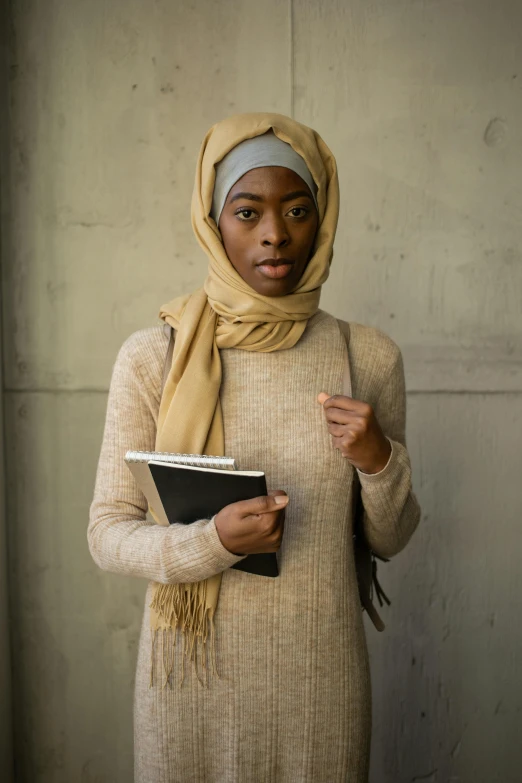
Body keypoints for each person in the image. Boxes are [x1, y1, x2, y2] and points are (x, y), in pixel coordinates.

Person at [88, 112, 421, 783]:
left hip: (319, 690)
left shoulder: (367, 357)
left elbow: (389, 538)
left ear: (321, 222)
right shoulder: (156, 357)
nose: (276, 233)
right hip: (187, 688)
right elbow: (106, 533)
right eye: (248, 211)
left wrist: (378, 459)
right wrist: (214, 540)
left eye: (298, 210)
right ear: (213, 223)